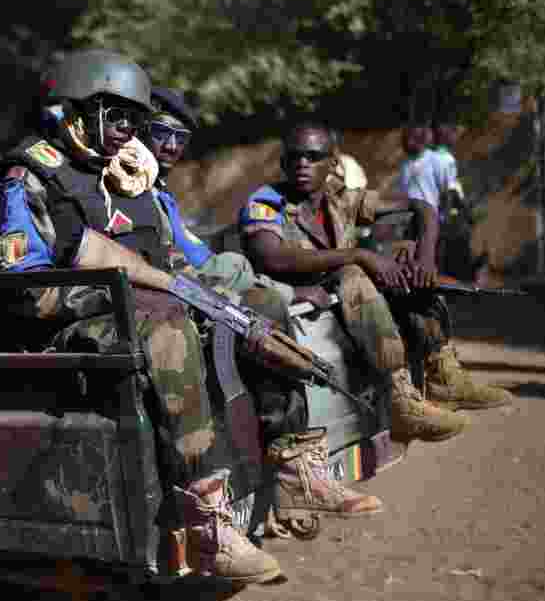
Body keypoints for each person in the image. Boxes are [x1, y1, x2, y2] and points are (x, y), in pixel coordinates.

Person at [0, 49, 311, 584]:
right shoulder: (29, 174)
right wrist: (129, 291)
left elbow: (168, 257)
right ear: (78, 108)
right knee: (165, 322)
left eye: (136, 120)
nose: (128, 131)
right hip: (70, 327)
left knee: (257, 304)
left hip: (143, 303)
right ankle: (208, 520)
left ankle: (292, 458)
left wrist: (201, 288)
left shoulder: (125, 173)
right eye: (117, 117)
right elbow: (30, 294)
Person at [146, 87, 382, 536]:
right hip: (157, 310)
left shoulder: (158, 196)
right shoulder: (114, 186)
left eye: (180, 136)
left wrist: (266, 290)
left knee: (264, 311)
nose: (171, 146)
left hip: (187, 298)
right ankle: (231, 501)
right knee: (258, 311)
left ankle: (295, 472)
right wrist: (267, 288)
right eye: (160, 132)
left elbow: (199, 257)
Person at [240, 122, 512, 437]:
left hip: (344, 300)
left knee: (403, 263)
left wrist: (423, 256)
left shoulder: (339, 198)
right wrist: (359, 255)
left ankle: (443, 375)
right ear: (284, 163)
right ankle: (398, 399)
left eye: (314, 156)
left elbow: (421, 207)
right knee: (354, 270)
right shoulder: (266, 202)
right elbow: (271, 256)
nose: (303, 164)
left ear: (333, 163)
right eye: (295, 157)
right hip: (295, 299)